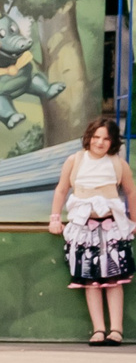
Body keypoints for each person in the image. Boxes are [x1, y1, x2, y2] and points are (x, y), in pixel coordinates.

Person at [49, 116, 134, 343]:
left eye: (106, 138)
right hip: (83, 229)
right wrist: (55, 218)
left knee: (114, 279)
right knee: (90, 280)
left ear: (113, 141)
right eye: (96, 137)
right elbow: (61, 190)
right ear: (88, 138)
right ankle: (98, 329)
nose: (100, 142)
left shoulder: (119, 164)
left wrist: (134, 221)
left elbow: (131, 192)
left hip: (112, 228)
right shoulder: (75, 160)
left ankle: (116, 330)